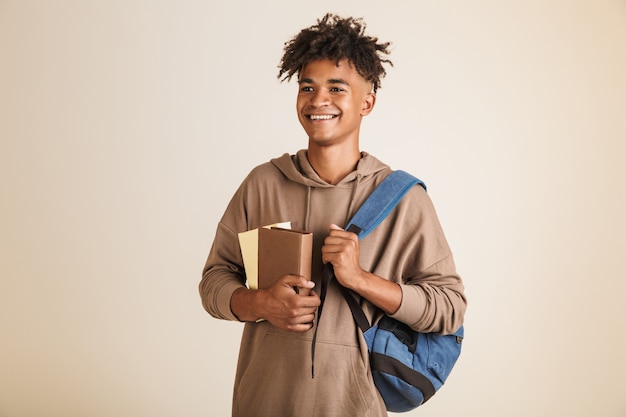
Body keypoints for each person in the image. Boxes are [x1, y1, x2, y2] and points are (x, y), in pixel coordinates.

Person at [199, 13, 466, 417]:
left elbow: (449, 307)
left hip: (353, 407)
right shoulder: (263, 183)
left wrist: (360, 280)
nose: (318, 99)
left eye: (336, 88)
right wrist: (260, 303)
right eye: (308, 87)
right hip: (261, 403)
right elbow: (213, 282)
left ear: (366, 103)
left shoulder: (403, 199)